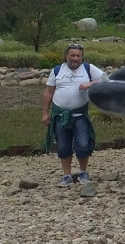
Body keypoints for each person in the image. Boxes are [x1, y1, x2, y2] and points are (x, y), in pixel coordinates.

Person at [42, 43, 104, 187]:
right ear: (66, 56)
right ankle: (67, 175)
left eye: (78, 56)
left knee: (83, 145)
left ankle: (83, 172)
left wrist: (90, 84)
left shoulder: (88, 68)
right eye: (72, 55)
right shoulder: (57, 70)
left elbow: (105, 78)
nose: (75, 58)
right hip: (60, 116)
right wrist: (45, 112)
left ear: (82, 57)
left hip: (80, 115)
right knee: (63, 146)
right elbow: (49, 92)